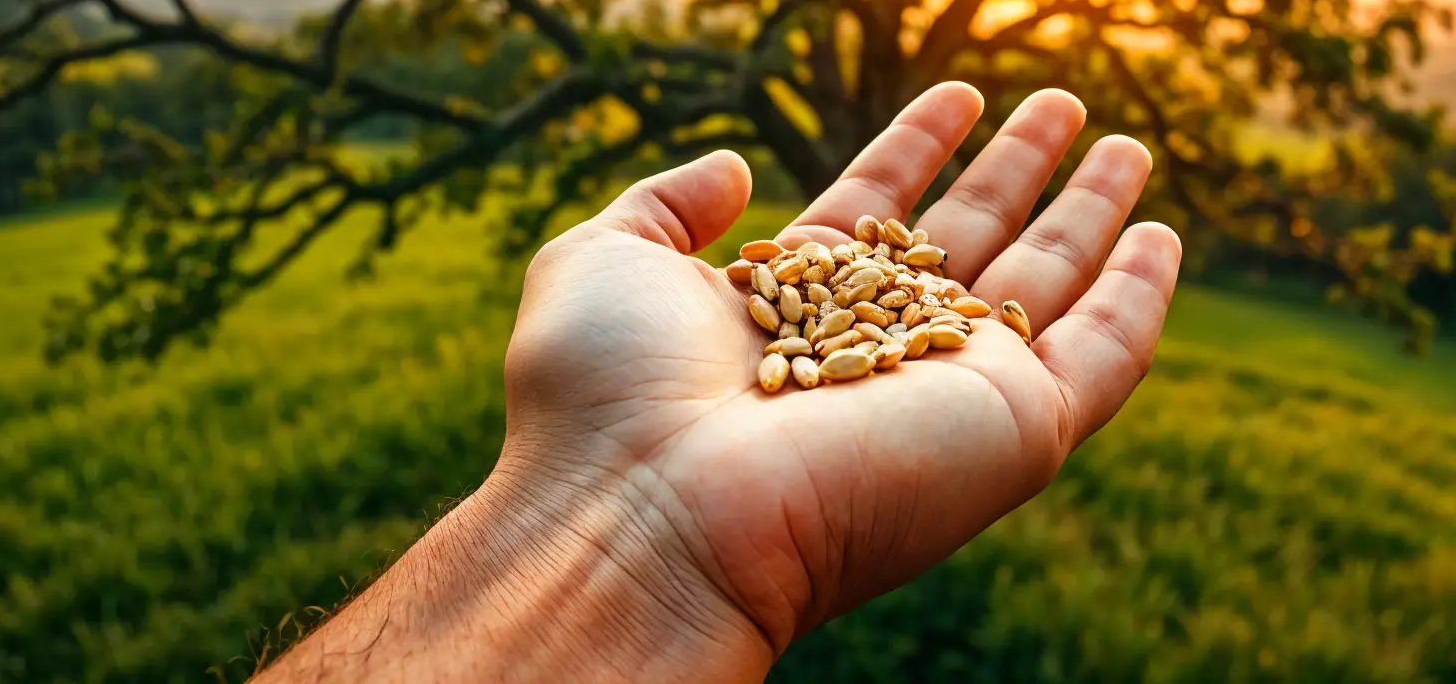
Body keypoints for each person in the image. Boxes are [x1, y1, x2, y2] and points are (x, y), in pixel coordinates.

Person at [260, 83, 1182, 682]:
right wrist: (647, 537)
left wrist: (618, 529)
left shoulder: (849, 303)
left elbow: (843, 318)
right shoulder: (816, 307)